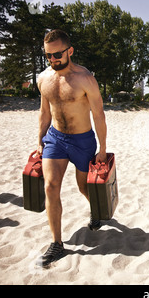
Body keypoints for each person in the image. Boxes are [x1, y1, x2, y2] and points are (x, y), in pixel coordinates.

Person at [35, 29, 108, 266]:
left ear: (70, 51)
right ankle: (57, 243)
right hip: (55, 139)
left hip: (82, 140)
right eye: (48, 56)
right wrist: (39, 139)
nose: (53, 59)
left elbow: (99, 115)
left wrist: (103, 149)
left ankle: (95, 211)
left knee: (83, 188)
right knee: (50, 186)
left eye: (57, 54)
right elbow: (45, 112)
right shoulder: (43, 79)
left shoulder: (85, 78)